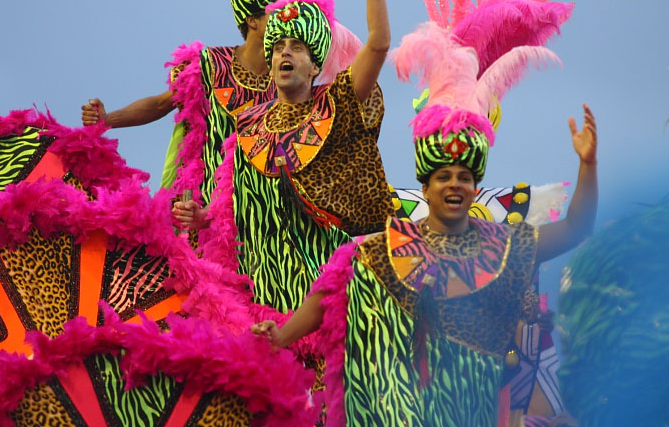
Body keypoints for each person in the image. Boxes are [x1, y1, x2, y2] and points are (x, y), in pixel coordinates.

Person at [252, 100, 597, 426]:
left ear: (475, 189)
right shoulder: (384, 251)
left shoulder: (503, 247)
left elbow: (575, 228)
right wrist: (282, 335)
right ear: (426, 188)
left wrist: (587, 164)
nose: (455, 184)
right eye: (443, 176)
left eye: (464, 177)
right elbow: (328, 296)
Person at [174, 0, 394, 314]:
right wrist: (203, 218)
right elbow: (234, 206)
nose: (284, 53)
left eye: (296, 47)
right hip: (260, 299)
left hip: (323, 296)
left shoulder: (335, 104)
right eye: (278, 48)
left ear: (314, 64)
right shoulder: (247, 125)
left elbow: (379, 46)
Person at [81, 0, 291, 200]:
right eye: (278, 12)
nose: (286, 19)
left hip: (261, 215)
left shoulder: (289, 82)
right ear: (253, 20)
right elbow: (161, 105)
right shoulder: (210, 65)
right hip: (198, 210)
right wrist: (108, 119)